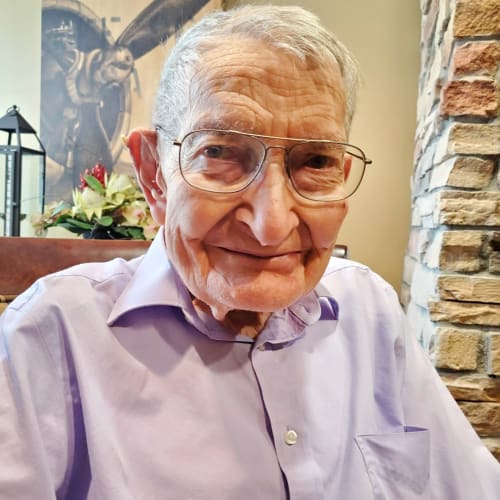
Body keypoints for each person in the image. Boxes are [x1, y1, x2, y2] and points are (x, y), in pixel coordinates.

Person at [1, 5, 499, 499]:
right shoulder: (48, 334)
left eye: (316, 161)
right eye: (218, 152)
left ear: (340, 181)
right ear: (154, 174)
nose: (272, 224)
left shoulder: (369, 309)